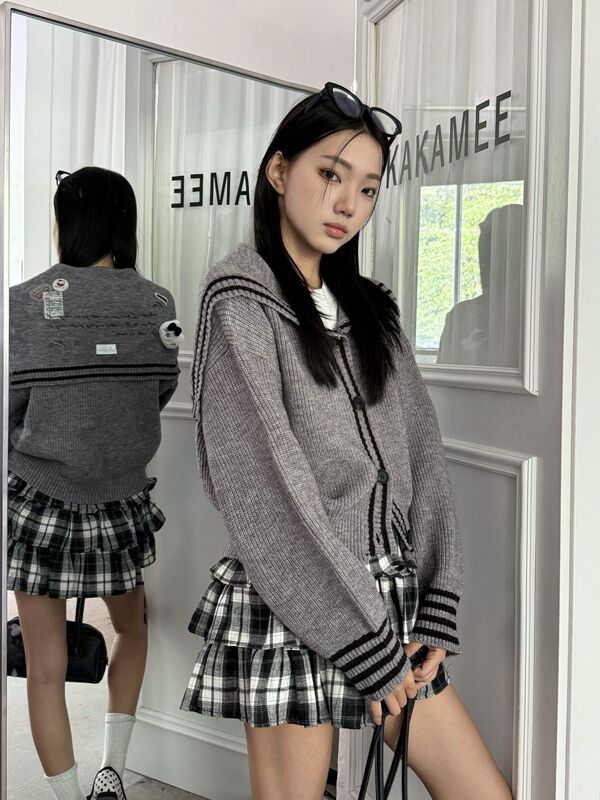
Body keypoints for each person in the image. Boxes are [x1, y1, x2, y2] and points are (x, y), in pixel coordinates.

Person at [181, 83, 513, 800]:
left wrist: (438, 598)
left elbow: (422, 456)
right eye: (331, 174)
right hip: (293, 596)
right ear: (279, 171)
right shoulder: (238, 297)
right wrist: (361, 634)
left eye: (366, 189)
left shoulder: (371, 310)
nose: (347, 204)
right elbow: (263, 482)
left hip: (389, 593)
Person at [7, 167, 182, 800]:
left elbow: (11, 408)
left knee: (44, 666)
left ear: (64, 222)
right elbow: (158, 392)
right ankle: (113, 773)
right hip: (120, 502)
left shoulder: (23, 303)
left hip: (39, 500)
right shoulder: (157, 305)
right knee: (132, 628)